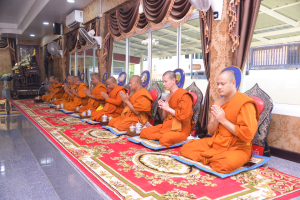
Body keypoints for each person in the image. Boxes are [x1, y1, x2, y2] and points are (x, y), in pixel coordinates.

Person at [179, 70, 259, 174]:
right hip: (216, 143)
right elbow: (211, 131)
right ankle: (212, 158)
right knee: (186, 148)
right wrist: (217, 120)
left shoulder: (245, 103)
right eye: (217, 84)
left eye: (223, 84)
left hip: (238, 147)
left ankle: (210, 157)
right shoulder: (218, 103)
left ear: (233, 83)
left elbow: (247, 135)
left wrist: (224, 120)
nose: (219, 87)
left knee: (224, 164)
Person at [140, 71, 194, 147]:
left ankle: (163, 136)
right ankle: (163, 135)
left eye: (166, 81)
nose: (164, 84)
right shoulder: (168, 96)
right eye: (163, 82)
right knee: (144, 132)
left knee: (165, 139)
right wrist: (164, 108)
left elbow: (184, 117)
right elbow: (165, 117)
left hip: (181, 129)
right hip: (167, 126)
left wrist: (168, 108)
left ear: (173, 80)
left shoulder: (184, 95)